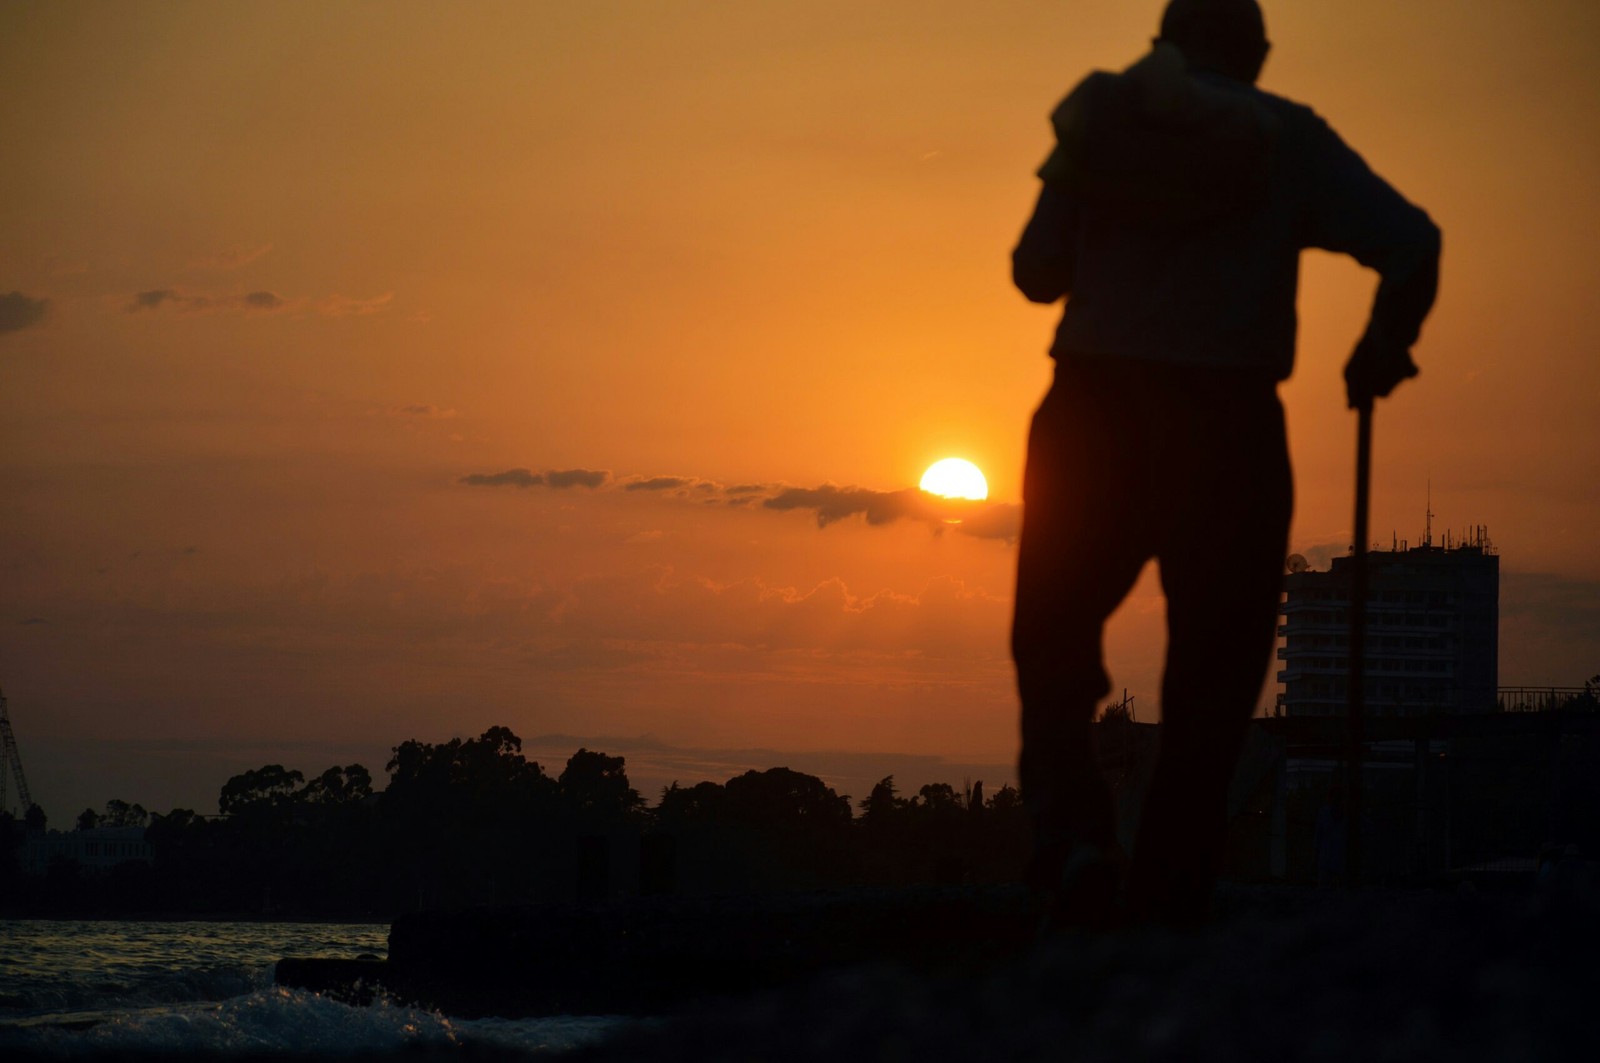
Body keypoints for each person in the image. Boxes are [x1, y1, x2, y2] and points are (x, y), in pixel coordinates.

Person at [1010, 0, 1439, 927]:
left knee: (1051, 635)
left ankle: (1076, 842)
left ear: (1163, 40)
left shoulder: (1103, 112)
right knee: (1212, 673)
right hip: (1230, 424)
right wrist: (1378, 349)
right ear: (1256, 55)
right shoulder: (1287, 136)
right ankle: (1168, 897)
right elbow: (1414, 243)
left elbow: (1036, 271)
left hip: (1096, 410)